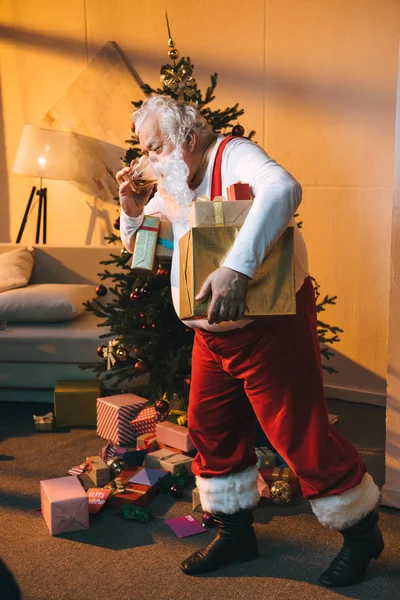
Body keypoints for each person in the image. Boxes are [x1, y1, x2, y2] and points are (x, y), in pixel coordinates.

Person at [117, 95, 384, 587]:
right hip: (212, 337)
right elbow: (141, 255)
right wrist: (131, 212)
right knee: (210, 428)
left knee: (297, 435)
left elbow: (285, 188)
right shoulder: (170, 182)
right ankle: (236, 531)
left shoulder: (233, 154)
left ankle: (361, 531)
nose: (148, 161)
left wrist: (236, 267)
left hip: (268, 327)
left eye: (156, 149)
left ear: (189, 140)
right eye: (146, 151)